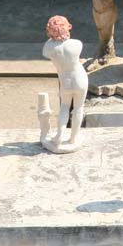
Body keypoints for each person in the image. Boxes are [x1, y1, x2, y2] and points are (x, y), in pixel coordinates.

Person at [41, 15, 88, 150]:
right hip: (80, 79)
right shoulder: (77, 44)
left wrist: (53, 38)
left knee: (64, 107)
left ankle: (60, 135)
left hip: (65, 80)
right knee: (79, 107)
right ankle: (74, 137)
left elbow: (46, 52)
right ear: (67, 27)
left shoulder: (48, 47)